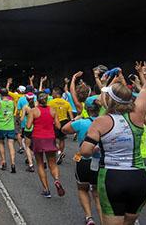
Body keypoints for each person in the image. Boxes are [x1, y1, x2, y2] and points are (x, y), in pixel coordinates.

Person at [81, 48, 146, 225]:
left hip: (112, 177)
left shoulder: (100, 121)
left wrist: (96, 147)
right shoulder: (138, 114)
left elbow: (86, 152)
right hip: (139, 177)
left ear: (109, 100)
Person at [62, 78, 102, 225]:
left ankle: (89, 217)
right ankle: (104, 220)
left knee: (82, 188)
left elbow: (64, 129)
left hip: (83, 160)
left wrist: (77, 117)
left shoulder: (81, 122)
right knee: (97, 193)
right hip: (100, 162)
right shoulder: (105, 122)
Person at [26, 92, 64, 198]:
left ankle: (46, 190)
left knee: (40, 164)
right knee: (52, 163)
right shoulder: (52, 110)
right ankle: (56, 180)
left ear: (37, 100)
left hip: (38, 138)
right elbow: (58, 126)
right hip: (50, 138)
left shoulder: (33, 111)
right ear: (47, 100)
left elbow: (28, 126)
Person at [0, 89, 16, 173]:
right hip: (10, 127)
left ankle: (3, 161)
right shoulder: (12, 102)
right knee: (11, 145)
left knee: (1, 144)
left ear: (0, 94)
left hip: (1, 126)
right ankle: (13, 163)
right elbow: (13, 111)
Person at [48, 87, 73, 165]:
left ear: (56, 93)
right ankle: (61, 152)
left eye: (53, 92)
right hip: (64, 122)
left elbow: (48, 113)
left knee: (53, 139)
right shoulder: (66, 103)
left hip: (54, 122)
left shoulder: (51, 102)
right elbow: (71, 116)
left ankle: (59, 152)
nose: (52, 94)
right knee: (62, 139)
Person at [19, 93, 35, 172]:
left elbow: (21, 119)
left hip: (28, 129)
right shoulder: (36, 107)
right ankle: (43, 162)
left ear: (27, 99)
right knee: (35, 145)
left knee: (27, 146)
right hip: (36, 128)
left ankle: (31, 164)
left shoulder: (25, 107)